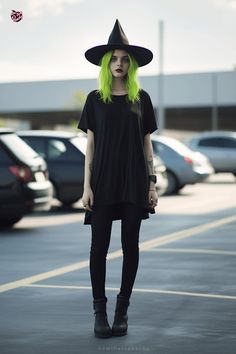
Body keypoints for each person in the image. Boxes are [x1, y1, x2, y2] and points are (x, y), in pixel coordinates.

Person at [77, 19, 158, 338]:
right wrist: (86, 186)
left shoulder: (143, 98)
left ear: (131, 64)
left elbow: (147, 142)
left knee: (130, 247)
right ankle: (100, 312)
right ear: (107, 64)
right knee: (98, 249)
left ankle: (122, 311)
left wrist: (151, 182)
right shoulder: (95, 99)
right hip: (103, 182)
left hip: (135, 181)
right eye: (114, 59)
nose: (120, 63)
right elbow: (91, 145)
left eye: (125, 59)